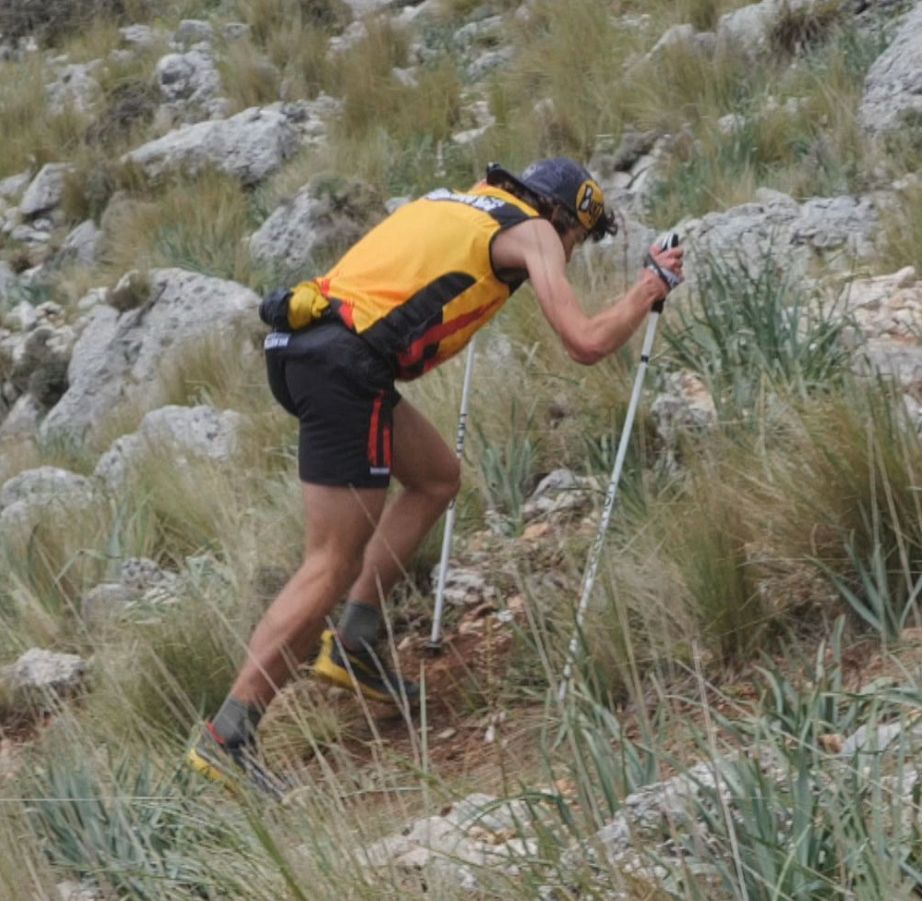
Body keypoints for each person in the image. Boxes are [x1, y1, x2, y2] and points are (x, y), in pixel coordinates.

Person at [187, 158, 686, 796]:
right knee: (330, 564)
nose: (568, 252)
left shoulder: (455, 202)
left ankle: (356, 642)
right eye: (578, 239)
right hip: (347, 367)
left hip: (304, 342)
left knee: (435, 478)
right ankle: (231, 734)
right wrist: (648, 288)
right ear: (563, 216)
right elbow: (585, 342)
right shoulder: (534, 232)